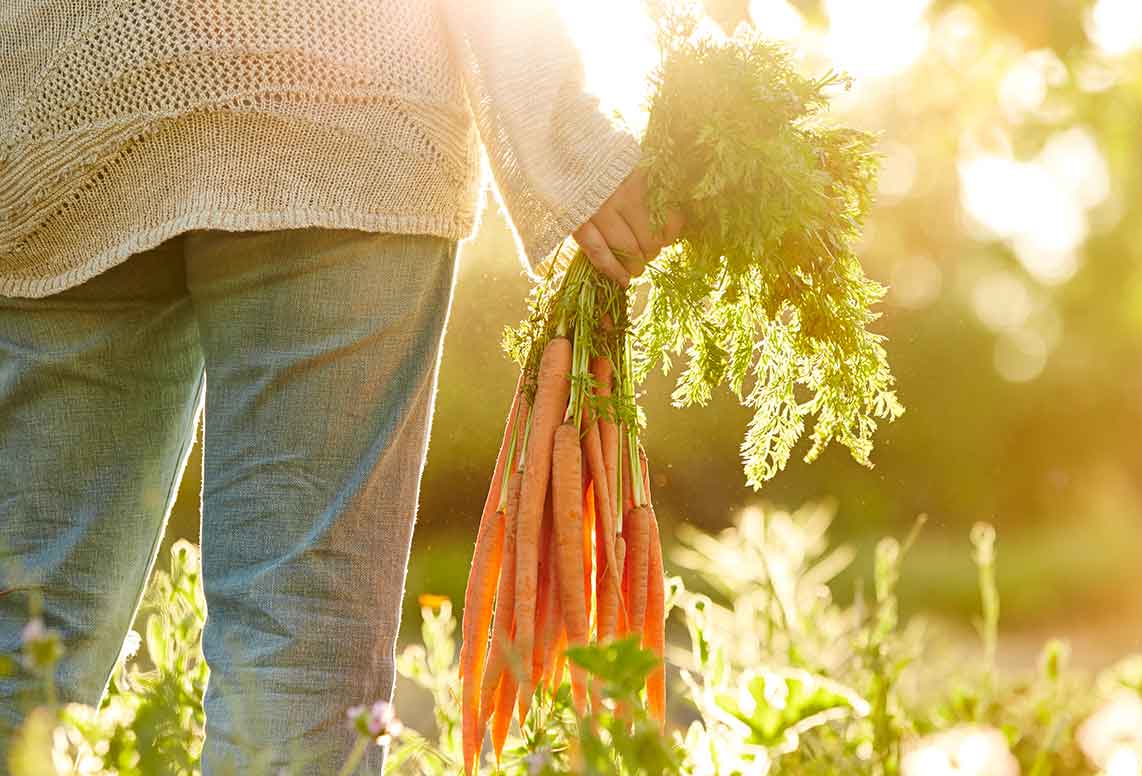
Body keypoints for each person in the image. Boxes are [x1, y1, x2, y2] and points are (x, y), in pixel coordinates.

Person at [0, 1, 677, 771]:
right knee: (298, 654)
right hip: (339, 101)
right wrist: (569, 142)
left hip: (64, 100)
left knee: (27, 637)